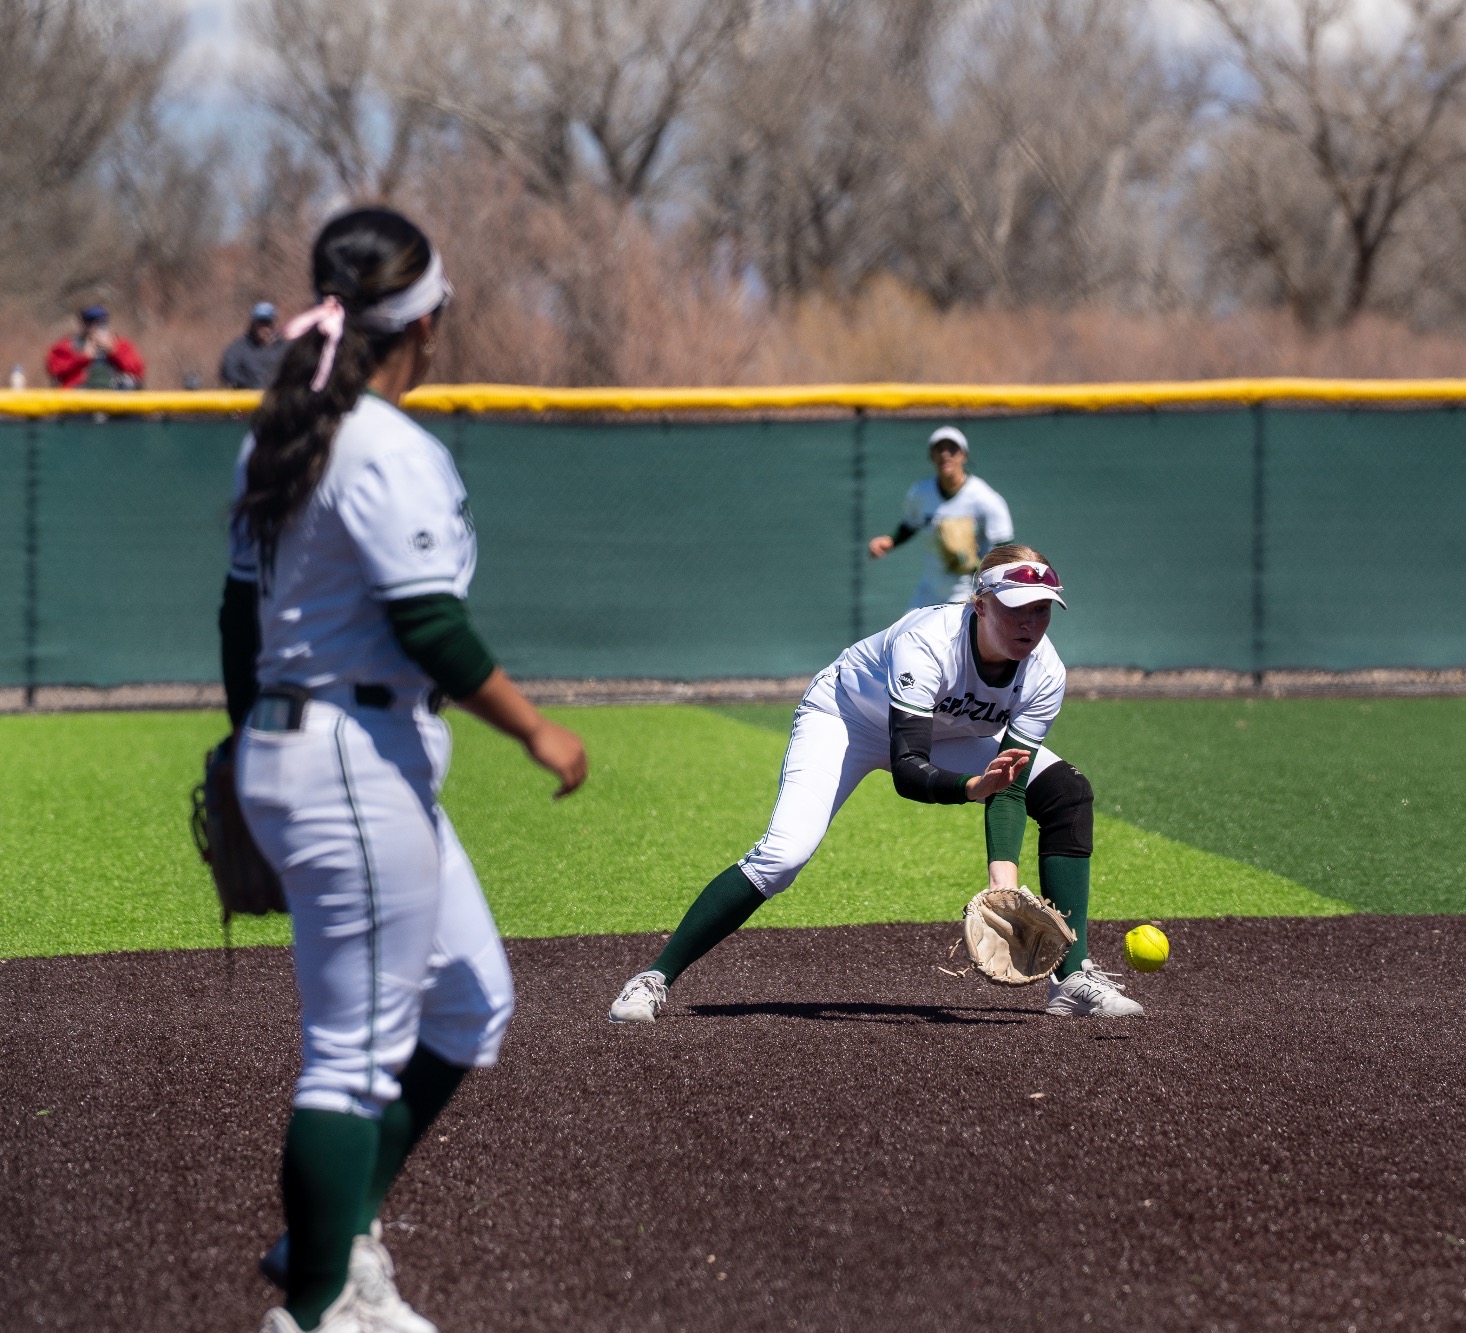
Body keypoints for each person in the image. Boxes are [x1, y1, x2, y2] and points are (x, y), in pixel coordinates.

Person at [221, 208, 589, 1333]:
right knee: (351, 1057)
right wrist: (537, 730)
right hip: (349, 755)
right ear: (421, 320)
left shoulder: (279, 430)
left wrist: (244, 751)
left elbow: (237, 613)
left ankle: (337, 1237)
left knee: (473, 998)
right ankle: (321, 1307)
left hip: (313, 747)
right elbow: (428, 625)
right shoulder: (385, 445)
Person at [608, 543, 1141, 1025]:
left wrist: (1003, 883)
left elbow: (1011, 783)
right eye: (1015, 606)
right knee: (783, 856)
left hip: (952, 733)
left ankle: (1072, 979)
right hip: (849, 719)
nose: (1030, 622)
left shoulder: (1045, 672)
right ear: (979, 604)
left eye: (1042, 608)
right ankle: (654, 977)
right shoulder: (928, 642)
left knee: (1068, 793)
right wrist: (970, 787)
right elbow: (909, 769)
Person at [867, 425, 1014, 607]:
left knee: (953, 634)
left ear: (964, 455)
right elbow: (911, 524)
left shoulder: (985, 498)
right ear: (931, 456)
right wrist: (890, 541)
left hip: (966, 588)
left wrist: (977, 565)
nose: (945, 454)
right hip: (929, 587)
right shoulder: (921, 492)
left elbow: (1004, 546)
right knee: (907, 632)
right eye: (939, 449)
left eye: (952, 449)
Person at [45, 304, 145, 388]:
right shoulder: (67, 345)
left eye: (101, 322)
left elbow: (137, 369)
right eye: (91, 323)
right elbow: (55, 370)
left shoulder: (121, 345)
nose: (96, 327)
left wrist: (113, 351)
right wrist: (83, 357)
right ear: (84, 324)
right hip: (80, 396)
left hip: (114, 394)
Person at [220, 301, 291, 389]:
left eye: (267, 323)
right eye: (260, 323)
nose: (263, 328)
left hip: (277, 397)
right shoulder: (238, 348)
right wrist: (251, 384)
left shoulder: (284, 348)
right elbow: (228, 373)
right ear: (253, 324)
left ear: (273, 325)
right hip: (248, 398)